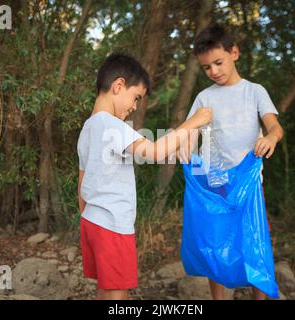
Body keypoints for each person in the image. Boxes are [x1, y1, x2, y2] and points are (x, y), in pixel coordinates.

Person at [77, 53, 212, 300]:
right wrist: (193, 122)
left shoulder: (88, 127)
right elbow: (155, 152)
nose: (135, 106)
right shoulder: (114, 125)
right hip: (112, 224)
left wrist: (86, 217)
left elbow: (81, 181)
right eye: (136, 97)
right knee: (118, 293)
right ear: (118, 86)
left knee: (106, 289)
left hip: (91, 222)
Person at [178, 24, 284, 300]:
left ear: (234, 53)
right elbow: (190, 131)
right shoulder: (205, 97)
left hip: (248, 183)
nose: (213, 71)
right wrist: (187, 151)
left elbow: (275, 126)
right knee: (216, 240)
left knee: (253, 240)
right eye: (206, 67)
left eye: (218, 62)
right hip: (215, 182)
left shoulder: (254, 91)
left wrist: (270, 138)